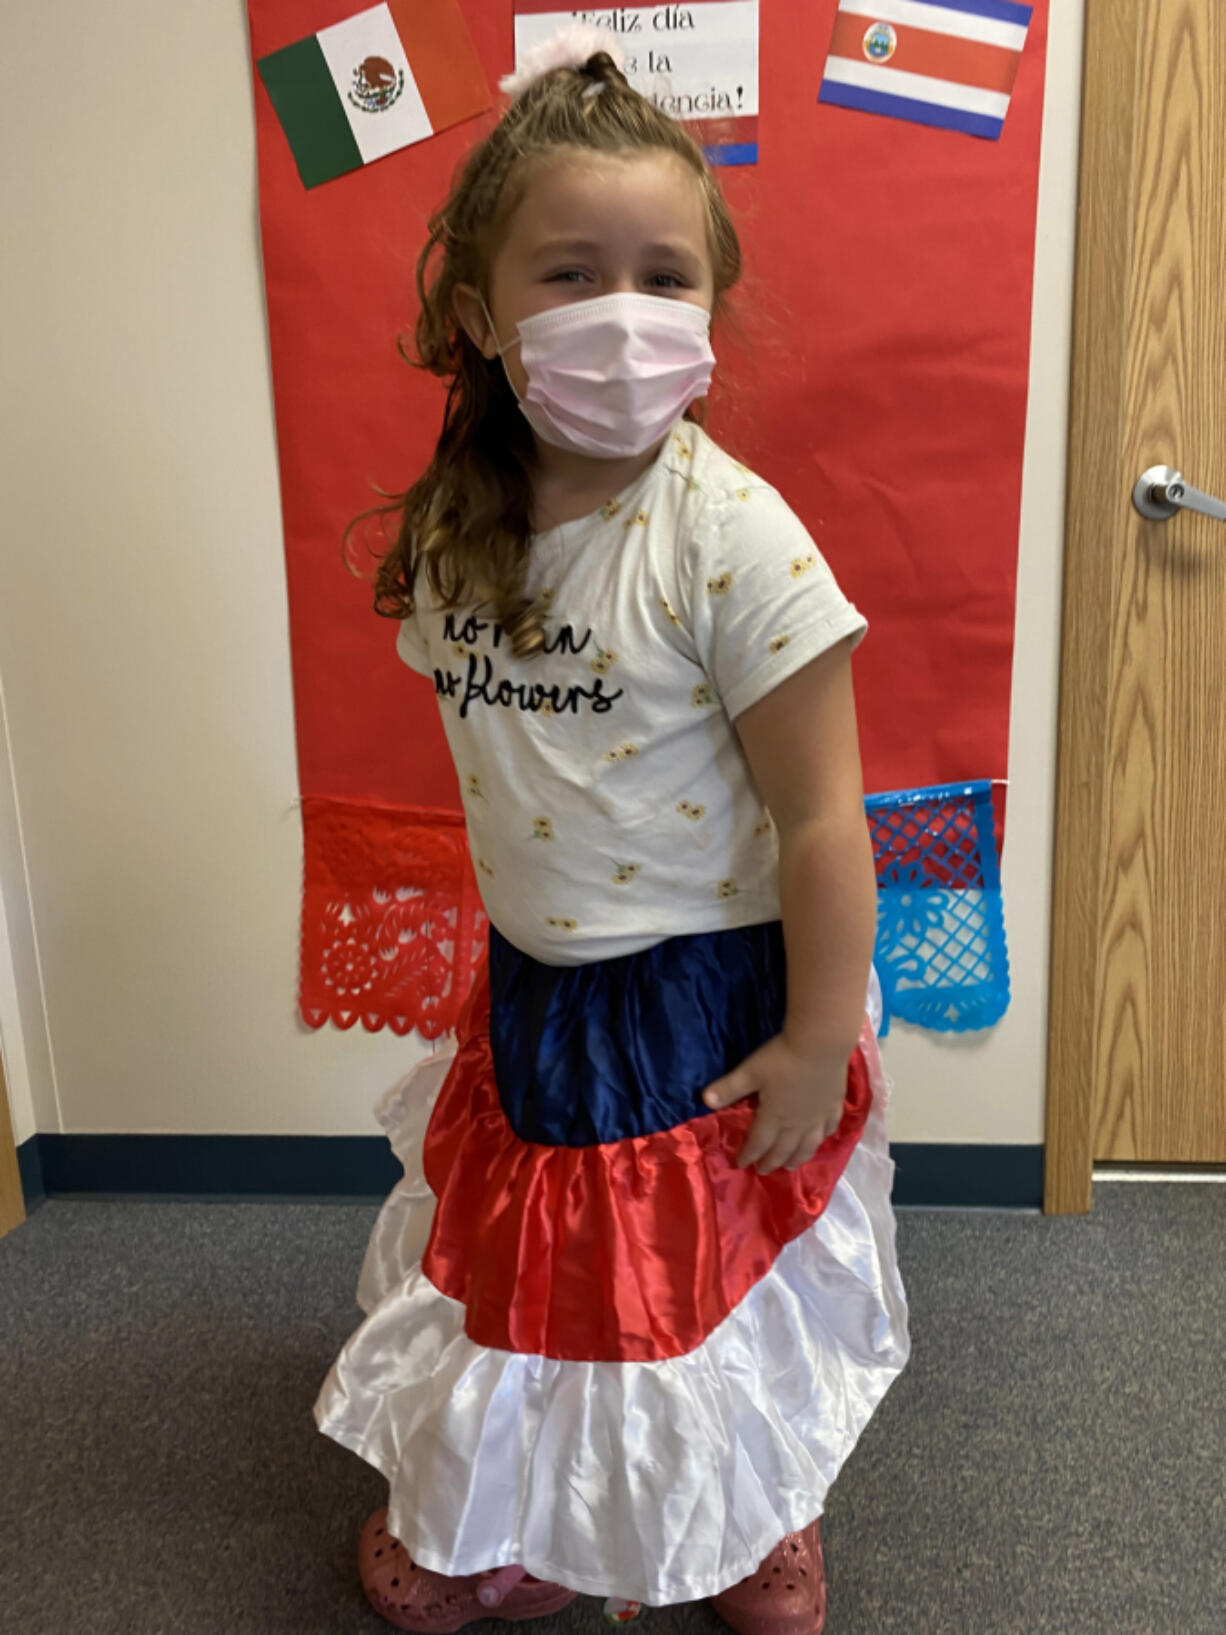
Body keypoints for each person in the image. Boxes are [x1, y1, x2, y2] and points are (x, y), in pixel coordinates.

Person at [315, 26, 910, 1635]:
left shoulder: (732, 541)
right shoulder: (460, 533)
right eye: (571, 274)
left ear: (711, 308)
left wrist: (807, 1041)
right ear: (479, 315)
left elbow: (820, 818)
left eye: (665, 277)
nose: (624, 318)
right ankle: (490, 1508)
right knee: (533, 1279)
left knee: (702, 1282)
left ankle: (746, 1515)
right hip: (539, 988)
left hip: (708, 999)